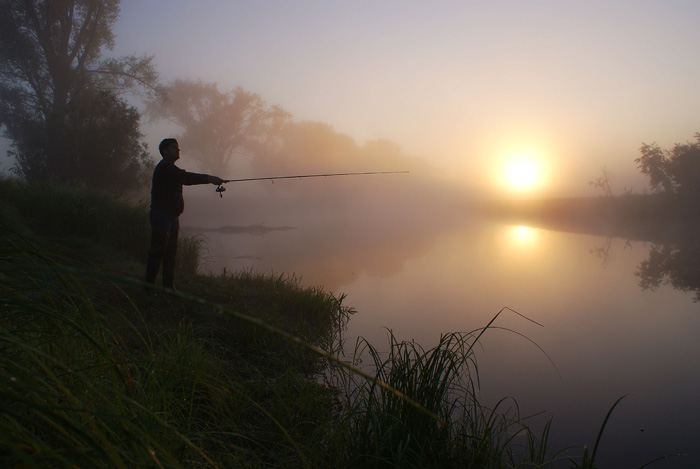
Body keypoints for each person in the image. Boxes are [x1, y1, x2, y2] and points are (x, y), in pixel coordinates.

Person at [144, 138, 225, 291]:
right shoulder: (165, 167)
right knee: (157, 252)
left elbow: (183, 177)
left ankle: (168, 287)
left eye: (178, 147)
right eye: (174, 147)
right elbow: (186, 178)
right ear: (165, 151)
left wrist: (210, 179)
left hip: (173, 217)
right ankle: (148, 289)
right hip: (161, 216)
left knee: (171, 253)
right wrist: (209, 179)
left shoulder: (170, 168)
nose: (178, 150)